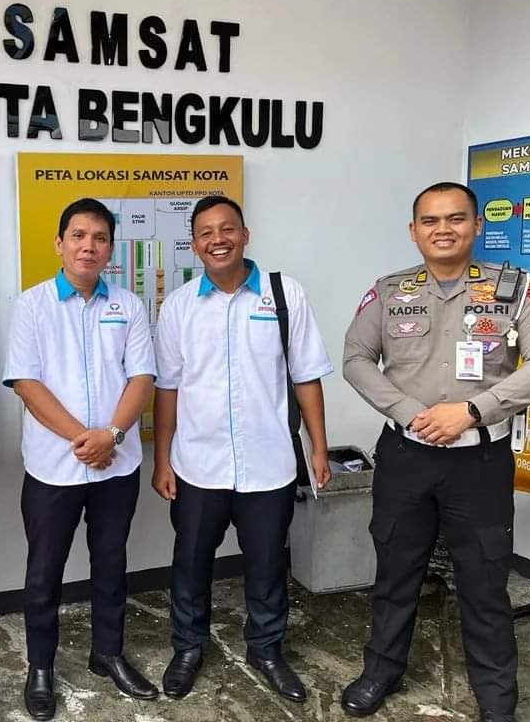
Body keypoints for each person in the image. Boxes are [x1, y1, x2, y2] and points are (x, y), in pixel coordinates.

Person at [341, 182, 530, 722]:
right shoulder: (390, 292)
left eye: (456, 218)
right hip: (406, 455)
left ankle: (497, 697)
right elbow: (356, 358)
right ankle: (381, 671)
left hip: (479, 462)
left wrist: (472, 411)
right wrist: (407, 411)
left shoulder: (516, 289)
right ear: (413, 230)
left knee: (485, 581)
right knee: (395, 572)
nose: (443, 229)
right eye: (430, 220)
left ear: (477, 225)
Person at [152, 194, 332, 703]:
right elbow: (167, 389)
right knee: (190, 562)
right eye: (206, 233)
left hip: (268, 462)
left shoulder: (284, 294)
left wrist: (319, 449)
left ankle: (266, 649)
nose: (218, 240)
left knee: (268, 564)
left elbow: (307, 376)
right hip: (198, 464)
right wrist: (162, 459)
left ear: (245, 234)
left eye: (227, 228)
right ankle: (188, 647)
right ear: (194, 245)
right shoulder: (180, 305)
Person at [3, 198, 158, 720]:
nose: (88, 246)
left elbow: (142, 377)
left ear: (110, 249)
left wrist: (111, 436)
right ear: (59, 243)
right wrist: (85, 440)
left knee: (111, 563)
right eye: (78, 235)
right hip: (53, 467)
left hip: (117, 465)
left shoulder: (129, 306)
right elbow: (26, 383)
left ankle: (107, 653)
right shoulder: (32, 305)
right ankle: (41, 666)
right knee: (43, 572)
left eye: (99, 238)